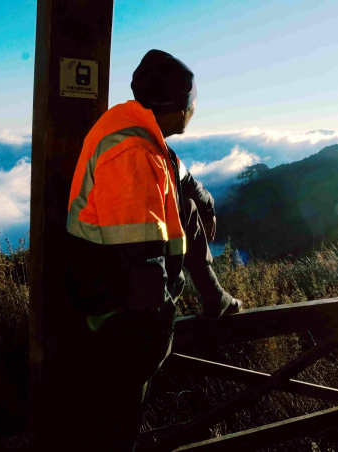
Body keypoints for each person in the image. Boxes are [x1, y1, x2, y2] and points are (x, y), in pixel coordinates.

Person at [49, 49, 243, 451]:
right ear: (180, 109)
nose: (195, 111)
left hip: (110, 298)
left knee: (188, 207)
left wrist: (203, 199)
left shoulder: (132, 125)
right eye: (194, 103)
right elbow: (143, 267)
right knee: (115, 428)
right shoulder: (134, 156)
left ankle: (213, 295)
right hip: (116, 315)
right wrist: (158, 335)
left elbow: (177, 172)